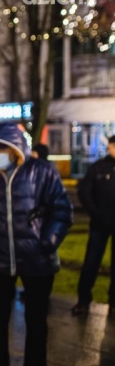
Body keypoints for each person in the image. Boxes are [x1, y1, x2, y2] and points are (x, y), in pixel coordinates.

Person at [0, 122, 73, 366]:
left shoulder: (42, 172)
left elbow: (62, 211)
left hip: (37, 260)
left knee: (36, 322)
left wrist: (47, 243)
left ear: (15, 148)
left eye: (1, 148)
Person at [72, 136, 115, 318]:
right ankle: (83, 299)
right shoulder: (98, 168)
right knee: (91, 262)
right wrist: (95, 213)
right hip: (99, 223)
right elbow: (84, 192)